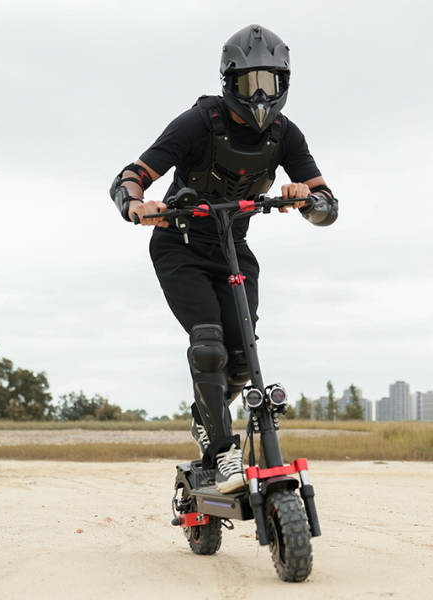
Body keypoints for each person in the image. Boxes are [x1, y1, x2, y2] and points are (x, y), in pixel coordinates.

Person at [109, 24, 338, 493]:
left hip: (235, 249)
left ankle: (204, 418)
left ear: (284, 84)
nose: (259, 93)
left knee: (241, 358)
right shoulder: (198, 122)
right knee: (208, 345)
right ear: (229, 82)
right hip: (180, 245)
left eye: (269, 82)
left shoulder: (285, 135)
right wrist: (136, 205)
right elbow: (131, 175)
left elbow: (328, 205)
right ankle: (222, 453)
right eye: (249, 82)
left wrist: (307, 201)